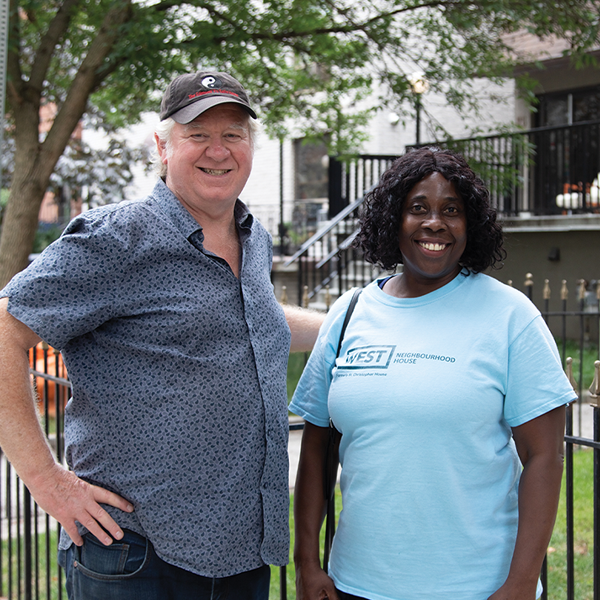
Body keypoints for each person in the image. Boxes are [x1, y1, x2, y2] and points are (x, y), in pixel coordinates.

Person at [0, 70, 323, 600]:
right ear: (163, 145)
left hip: (241, 550)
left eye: (233, 135)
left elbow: (250, 320)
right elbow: (4, 330)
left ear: (250, 147)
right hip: (136, 554)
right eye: (198, 134)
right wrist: (45, 479)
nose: (217, 150)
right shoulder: (117, 238)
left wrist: (351, 323)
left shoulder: (253, 237)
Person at [290, 146, 576, 600]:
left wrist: (520, 585)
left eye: (452, 210)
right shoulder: (350, 313)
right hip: (356, 584)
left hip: (476, 588)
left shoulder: (508, 315)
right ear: (392, 220)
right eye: (417, 208)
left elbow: (544, 457)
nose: (434, 223)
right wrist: (307, 562)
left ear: (471, 224)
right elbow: (319, 448)